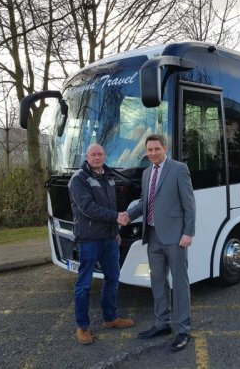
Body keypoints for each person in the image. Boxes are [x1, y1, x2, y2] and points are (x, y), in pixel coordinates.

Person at [121, 134, 196, 352]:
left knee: (180, 283)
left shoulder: (179, 169)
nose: (153, 153)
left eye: (157, 149)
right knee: (157, 281)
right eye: (149, 150)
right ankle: (162, 323)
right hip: (152, 235)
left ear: (165, 148)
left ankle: (183, 329)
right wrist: (128, 214)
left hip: (175, 237)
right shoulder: (146, 173)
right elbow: (146, 202)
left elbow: (189, 205)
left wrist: (188, 232)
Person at [68, 143, 134, 345]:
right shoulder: (78, 179)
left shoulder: (108, 176)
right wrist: (117, 218)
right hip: (89, 239)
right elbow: (88, 209)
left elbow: (111, 205)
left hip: (109, 239)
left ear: (105, 156)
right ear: (87, 157)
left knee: (113, 278)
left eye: (100, 154)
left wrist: (115, 232)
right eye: (93, 154)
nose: (97, 157)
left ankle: (110, 318)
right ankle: (82, 327)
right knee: (84, 285)